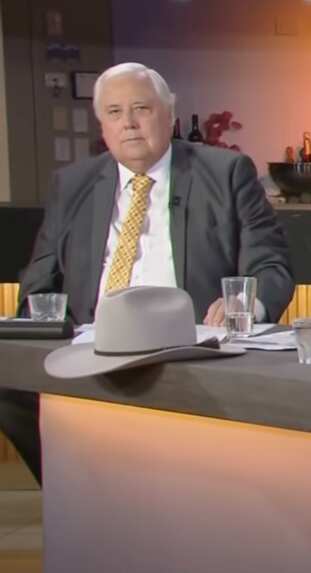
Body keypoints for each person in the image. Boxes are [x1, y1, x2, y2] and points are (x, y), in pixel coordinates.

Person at [2, 62, 294, 483]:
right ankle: (76, 488)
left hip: (188, 349)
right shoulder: (73, 183)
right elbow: (39, 281)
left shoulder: (225, 173)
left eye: (141, 109)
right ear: (102, 125)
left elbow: (270, 265)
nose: (129, 123)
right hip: (92, 348)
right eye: (115, 112)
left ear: (169, 114)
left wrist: (247, 305)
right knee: (9, 387)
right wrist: (42, 326)